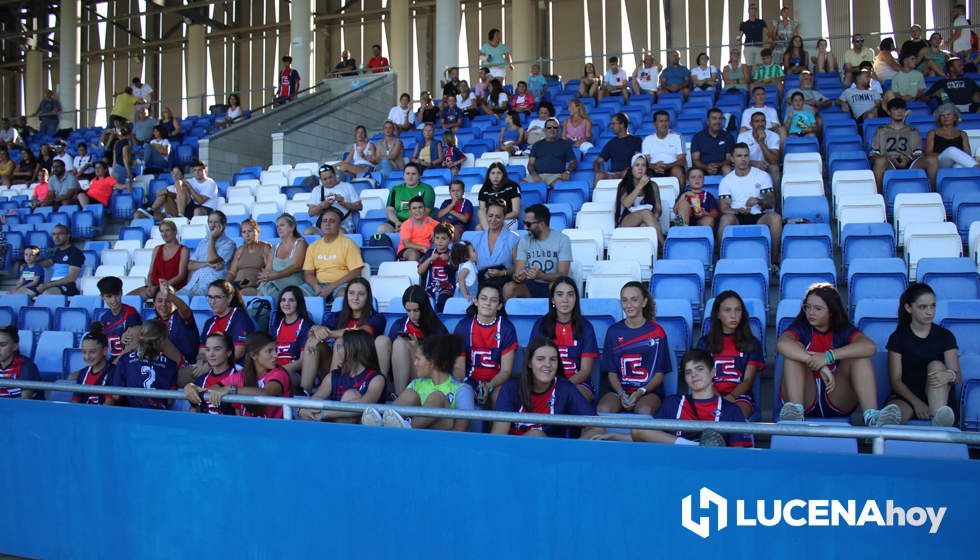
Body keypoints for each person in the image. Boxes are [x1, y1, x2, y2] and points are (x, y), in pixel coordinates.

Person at [778, 284, 902, 426]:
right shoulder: (801, 327)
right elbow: (782, 344)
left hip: (837, 395)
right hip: (804, 396)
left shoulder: (843, 329)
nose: (811, 312)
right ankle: (795, 413)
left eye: (818, 308)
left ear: (832, 311)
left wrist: (828, 356)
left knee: (858, 355)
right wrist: (816, 363)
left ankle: (872, 418)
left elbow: (869, 347)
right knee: (794, 350)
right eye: (808, 307)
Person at [624, 349, 753, 447]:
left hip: (711, 473)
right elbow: (646, 435)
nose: (694, 375)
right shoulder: (673, 403)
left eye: (699, 369)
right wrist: (613, 435)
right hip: (676, 469)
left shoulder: (731, 410)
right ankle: (697, 447)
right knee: (638, 428)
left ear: (713, 372)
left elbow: (739, 455)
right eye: (688, 372)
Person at [361, 334, 475, 430]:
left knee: (437, 397)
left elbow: (461, 430)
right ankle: (382, 424)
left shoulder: (462, 390)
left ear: (432, 362)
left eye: (418, 359)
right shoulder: (416, 384)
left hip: (442, 442)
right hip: (414, 441)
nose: (415, 364)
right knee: (410, 395)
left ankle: (407, 428)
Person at [491, 337, 600, 438]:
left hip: (549, 454)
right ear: (529, 363)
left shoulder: (564, 389)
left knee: (536, 435)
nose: (547, 364)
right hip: (512, 453)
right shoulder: (511, 388)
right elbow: (499, 434)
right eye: (540, 359)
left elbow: (597, 427)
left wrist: (572, 449)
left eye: (553, 359)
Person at [883, 283, 960, 426]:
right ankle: (882, 438)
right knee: (893, 415)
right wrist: (917, 403)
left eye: (933, 306)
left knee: (936, 365)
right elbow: (896, 380)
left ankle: (938, 419)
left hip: (939, 395)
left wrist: (950, 375)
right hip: (907, 396)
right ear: (908, 308)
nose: (929, 312)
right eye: (923, 307)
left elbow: (957, 375)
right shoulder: (898, 337)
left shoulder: (946, 336)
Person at [299, 277, 386, 392]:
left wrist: (329, 334)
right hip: (337, 368)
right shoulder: (336, 316)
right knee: (313, 341)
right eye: (351, 293)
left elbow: (360, 332)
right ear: (346, 296)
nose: (355, 297)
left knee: (341, 341)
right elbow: (314, 334)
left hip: (363, 370)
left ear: (368, 297)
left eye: (361, 294)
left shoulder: (377, 318)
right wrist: (316, 329)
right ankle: (305, 391)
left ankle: (332, 392)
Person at [597, 282, 669, 416]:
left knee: (644, 411)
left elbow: (659, 374)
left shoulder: (657, 332)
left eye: (634, 300)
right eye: (625, 300)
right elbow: (611, 373)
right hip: (618, 391)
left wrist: (640, 391)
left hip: (649, 392)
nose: (629, 305)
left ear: (644, 302)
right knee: (603, 409)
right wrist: (621, 393)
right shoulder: (613, 331)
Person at [694, 291, 764, 420]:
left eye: (738, 310)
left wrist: (731, 397)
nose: (733, 315)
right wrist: (718, 397)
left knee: (736, 414)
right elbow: (701, 376)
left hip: (740, 396)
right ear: (718, 314)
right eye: (727, 310)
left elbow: (748, 380)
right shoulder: (705, 343)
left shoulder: (752, 343)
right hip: (709, 393)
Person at [530, 277, 599, 401]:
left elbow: (585, 370)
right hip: (544, 382)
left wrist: (562, 387)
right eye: (560, 294)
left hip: (577, 384)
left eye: (570, 295)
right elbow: (533, 362)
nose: (565, 300)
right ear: (553, 299)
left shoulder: (586, 327)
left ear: (576, 299)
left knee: (571, 397)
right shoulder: (540, 325)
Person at [453, 282, 517, 408]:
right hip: (469, 380)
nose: (488, 303)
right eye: (483, 298)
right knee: (463, 396)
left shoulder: (506, 329)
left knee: (500, 397)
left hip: (497, 382)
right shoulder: (463, 326)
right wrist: (462, 386)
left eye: (493, 300)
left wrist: (489, 386)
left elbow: (505, 371)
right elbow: (459, 369)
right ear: (476, 301)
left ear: (499, 306)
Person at [300, 329, 386, 422]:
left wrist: (325, 413)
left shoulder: (376, 378)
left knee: (350, 395)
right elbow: (316, 398)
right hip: (334, 428)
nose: (338, 351)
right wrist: (305, 410)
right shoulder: (333, 376)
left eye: (341, 347)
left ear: (356, 350)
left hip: (364, 432)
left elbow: (365, 404)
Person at [376, 285, 449, 395]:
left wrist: (417, 348)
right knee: (382, 340)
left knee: (400, 344)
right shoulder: (399, 324)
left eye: (416, 310)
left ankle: (400, 398)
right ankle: (380, 390)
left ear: (424, 307)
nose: (412, 315)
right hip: (397, 374)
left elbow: (441, 366)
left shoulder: (437, 328)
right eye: (408, 310)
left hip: (426, 376)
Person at [717, 143, 782, 263]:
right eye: (739, 156)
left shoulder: (762, 175)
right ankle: (721, 261)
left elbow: (771, 202)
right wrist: (738, 210)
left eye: (746, 156)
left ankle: (774, 262)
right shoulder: (726, 181)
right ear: (732, 158)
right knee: (725, 219)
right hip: (737, 216)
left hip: (759, 215)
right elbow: (724, 207)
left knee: (776, 218)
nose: (743, 159)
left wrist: (758, 201)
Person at [207, 332, 293, 419]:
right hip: (248, 430)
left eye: (276, 350)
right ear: (253, 355)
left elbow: (266, 392)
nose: (275, 355)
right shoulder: (241, 375)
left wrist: (231, 389)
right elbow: (213, 388)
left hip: (277, 430)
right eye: (269, 351)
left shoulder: (280, 373)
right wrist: (193, 389)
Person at [105, 320, 180, 409]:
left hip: (132, 415)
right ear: (161, 340)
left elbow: (116, 395)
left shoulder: (125, 359)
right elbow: (170, 400)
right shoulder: (171, 364)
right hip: (158, 416)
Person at [871, 98, 938, 190]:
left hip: (910, 162)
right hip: (889, 163)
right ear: (889, 112)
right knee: (880, 161)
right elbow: (874, 154)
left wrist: (907, 159)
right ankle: (879, 195)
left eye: (902, 109)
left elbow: (918, 153)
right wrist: (889, 158)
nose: (899, 112)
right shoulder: (881, 130)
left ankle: (934, 193)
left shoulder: (913, 130)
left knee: (932, 160)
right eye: (895, 109)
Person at [507, 204, 571, 299]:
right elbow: (518, 272)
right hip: (530, 284)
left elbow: (563, 275)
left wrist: (541, 276)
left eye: (528, 224)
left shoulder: (562, 240)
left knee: (556, 287)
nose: (525, 227)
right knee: (509, 288)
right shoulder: (524, 240)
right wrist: (519, 276)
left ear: (542, 224)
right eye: (524, 223)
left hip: (552, 284)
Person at [303, 207, 365, 301]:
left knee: (344, 295)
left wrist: (332, 286)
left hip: (341, 284)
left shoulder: (349, 244)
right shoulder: (313, 246)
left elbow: (356, 272)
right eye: (324, 221)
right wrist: (316, 286)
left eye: (332, 221)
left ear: (339, 225)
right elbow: (308, 273)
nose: (327, 224)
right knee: (297, 294)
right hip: (318, 285)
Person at [179, 211, 238, 297]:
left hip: (211, 287)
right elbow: (190, 265)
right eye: (210, 222)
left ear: (224, 224)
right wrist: (208, 264)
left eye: (216, 222)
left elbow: (213, 260)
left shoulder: (229, 244)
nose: (212, 225)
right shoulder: (203, 242)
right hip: (192, 285)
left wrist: (212, 239)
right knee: (171, 299)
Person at [182, 332, 241, 415]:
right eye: (208, 349)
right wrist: (188, 387)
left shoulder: (238, 377)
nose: (211, 354)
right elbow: (193, 411)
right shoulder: (201, 380)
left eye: (217, 349)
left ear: (229, 352)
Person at [258, 213, 312, 299]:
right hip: (275, 281)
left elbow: (296, 266)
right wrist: (265, 275)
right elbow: (268, 268)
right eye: (277, 226)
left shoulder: (300, 243)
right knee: (264, 285)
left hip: (294, 282)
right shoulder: (275, 247)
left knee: (266, 287)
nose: (278, 228)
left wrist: (275, 275)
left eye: (282, 225)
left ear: (292, 226)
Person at [129, 220, 187, 299]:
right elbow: (151, 272)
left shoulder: (183, 250)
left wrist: (163, 286)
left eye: (167, 230)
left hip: (172, 286)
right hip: (154, 285)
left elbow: (181, 275)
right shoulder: (157, 249)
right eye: (162, 231)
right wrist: (149, 285)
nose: (164, 234)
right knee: (127, 298)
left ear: (175, 231)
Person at [270, 285, 313, 388]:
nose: (286, 304)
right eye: (283, 300)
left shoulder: (305, 326)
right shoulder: (276, 325)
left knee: (277, 376)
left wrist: (279, 370)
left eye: (291, 300)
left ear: (298, 303)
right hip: (273, 369)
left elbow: (303, 361)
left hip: (295, 373)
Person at [614, 154, 664, 242]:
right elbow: (626, 203)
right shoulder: (624, 185)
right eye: (637, 165)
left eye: (643, 165)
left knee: (645, 226)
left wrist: (652, 218)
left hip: (647, 219)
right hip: (626, 221)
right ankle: (664, 246)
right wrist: (640, 185)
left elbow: (658, 210)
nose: (640, 168)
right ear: (632, 168)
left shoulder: (653, 185)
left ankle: (651, 253)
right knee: (645, 213)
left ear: (646, 169)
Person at [376, 162, 435, 235]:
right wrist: (397, 222)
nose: (410, 177)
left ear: (419, 176)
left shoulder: (427, 189)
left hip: (420, 221)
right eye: (407, 174)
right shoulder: (396, 189)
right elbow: (389, 210)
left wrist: (406, 225)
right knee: (382, 229)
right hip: (399, 221)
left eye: (413, 174)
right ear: (403, 175)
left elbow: (426, 212)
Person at [148, 160, 218, 219]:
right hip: (191, 207)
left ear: (205, 171)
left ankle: (180, 215)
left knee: (197, 210)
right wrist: (165, 192)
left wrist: (190, 188)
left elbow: (200, 201)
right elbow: (179, 192)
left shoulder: (211, 183)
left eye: (199, 170)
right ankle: (151, 210)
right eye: (195, 170)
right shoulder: (191, 180)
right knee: (169, 192)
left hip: (206, 209)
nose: (197, 172)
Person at [473, 201, 520, 290]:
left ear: (504, 218)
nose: (493, 220)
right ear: (486, 216)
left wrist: (502, 273)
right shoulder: (476, 239)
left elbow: (518, 268)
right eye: (490, 216)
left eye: (498, 217)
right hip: (481, 283)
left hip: (504, 284)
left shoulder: (514, 239)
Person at [152, 281, 199, 367]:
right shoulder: (154, 323)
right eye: (159, 301)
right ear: (154, 303)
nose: (163, 304)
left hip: (186, 367)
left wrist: (169, 295)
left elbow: (185, 310)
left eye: (168, 301)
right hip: (163, 367)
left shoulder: (180, 316)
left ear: (173, 302)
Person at [306, 163, 362, 235]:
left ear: (335, 175)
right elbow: (311, 213)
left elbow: (359, 207)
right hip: (322, 226)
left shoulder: (347, 186)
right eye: (325, 179)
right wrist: (322, 205)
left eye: (330, 177)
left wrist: (344, 203)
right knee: (308, 232)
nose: (328, 181)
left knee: (340, 232)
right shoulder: (317, 190)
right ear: (321, 180)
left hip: (343, 225)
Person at [96, 276, 142, 359]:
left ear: (121, 292)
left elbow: (134, 345)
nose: (114, 300)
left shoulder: (131, 314)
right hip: (111, 361)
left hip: (129, 361)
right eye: (109, 296)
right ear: (102, 297)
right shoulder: (104, 318)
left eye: (116, 295)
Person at [67, 325, 112, 405]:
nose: (87, 357)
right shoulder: (82, 374)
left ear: (105, 350)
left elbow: (109, 405)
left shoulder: (113, 373)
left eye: (92, 352)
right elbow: (75, 402)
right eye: (84, 352)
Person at [737, 111, 782, 188]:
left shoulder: (774, 136)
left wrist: (761, 142)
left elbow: (774, 161)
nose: (760, 124)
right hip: (749, 165)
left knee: (775, 168)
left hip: (767, 167)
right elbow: (738, 159)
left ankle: (777, 198)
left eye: (763, 121)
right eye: (757, 121)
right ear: (751, 124)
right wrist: (754, 163)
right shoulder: (743, 137)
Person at [226, 218, 271, 295]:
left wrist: (254, 283)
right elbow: (232, 272)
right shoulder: (240, 249)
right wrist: (225, 285)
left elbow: (269, 271)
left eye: (249, 231)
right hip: (237, 284)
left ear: (257, 232)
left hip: (254, 285)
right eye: (244, 232)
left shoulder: (265, 247)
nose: (247, 235)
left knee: (243, 293)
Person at [926, 103, 979, 168]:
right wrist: (949, 156)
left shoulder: (962, 134)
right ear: (939, 119)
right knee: (951, 150)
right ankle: (977, 167)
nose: (945, 117)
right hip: (940, 161)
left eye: (948, 114)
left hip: (956, 162)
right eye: (942, 115)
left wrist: (956, 158)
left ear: (955, 117)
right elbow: (928, 153)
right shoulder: (933, 133)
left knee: (958, 166)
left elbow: (968, 154)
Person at [641, 109, 686, 186]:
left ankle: (680, 197)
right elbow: (645, 162)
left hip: (672, 167)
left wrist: (667, 166)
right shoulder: (647, 140)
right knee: (643, 172)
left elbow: (682, 160)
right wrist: (655, 166)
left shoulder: (677, 137)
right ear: (654, 124)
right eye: (661, 121)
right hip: (653, 169)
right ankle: (649, 197)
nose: (664, 124)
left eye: (666, 121)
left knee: (677, 170)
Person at [594, 112, 643, 181]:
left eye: (614, 124)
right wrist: (598, 170)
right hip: (614, 174)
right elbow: (597, 161)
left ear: (622, 125)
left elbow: (638, 159)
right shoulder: (611, 143)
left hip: (629, 172)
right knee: (599, 175)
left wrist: (630, 168)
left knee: (626, 173)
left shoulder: (636, 140)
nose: (611, 126)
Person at [35, 224, 82, 296]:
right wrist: (31, 265)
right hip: (53, 284)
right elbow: (49, 262)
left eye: (60, 234)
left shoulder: (75, 253)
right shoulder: (58, 252)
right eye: (54, 234)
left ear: (68, 235)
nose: (56, 237)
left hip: (67, 285)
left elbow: (71, 278)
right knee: (21, 294)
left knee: (47, 294)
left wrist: (48, 285)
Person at [418, 224, 456, 311]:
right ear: (433, 239)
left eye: (443, 238)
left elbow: (458, 269)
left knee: (442, 300)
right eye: (437, 238)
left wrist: (449, 260)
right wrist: (430, 259)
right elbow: (420, 271)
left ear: (450, 240)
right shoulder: (430, 253)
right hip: (431, 287)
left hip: (447, 287)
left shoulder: (453, 254)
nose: (440, 241)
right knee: (424, 301)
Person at [477, 161, 521, 230]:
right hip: (492, 220)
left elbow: (516, 212)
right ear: (489, 176)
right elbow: (482, 212)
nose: (495, 176)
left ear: (503, 175)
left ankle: (490, 235)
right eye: (493, 173)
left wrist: (499, 217)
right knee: (478, 227)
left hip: (508, 219)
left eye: (499, 173)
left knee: (500, 228)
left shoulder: (513, 186)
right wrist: (493, 219)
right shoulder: (484, 189)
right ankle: (490, 235)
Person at [691, 108, 735, 176]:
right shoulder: (698, 137)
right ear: (708, 121)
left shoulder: (728, 137)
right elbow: (695, 160)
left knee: (727, 169)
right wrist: (706, 167)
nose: (718, 121)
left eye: (720, 118)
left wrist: (717, 165)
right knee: (694, 173)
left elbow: (729, 159)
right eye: (714, 118)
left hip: (721, 168)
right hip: (703, 169)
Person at [0, 327, 39, 400]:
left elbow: (25, 399)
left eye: (2, 345)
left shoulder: (26, 366)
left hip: (25, 409)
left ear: (15, 346)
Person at [397, 196, 439, 262]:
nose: (418, 211)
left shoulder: (429, 220)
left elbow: (445, 227)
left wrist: (436, 230)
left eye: (420, 207)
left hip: (424, 252)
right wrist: (422, 247)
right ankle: (411, 272)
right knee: (414, 254)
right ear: (410, 211)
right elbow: (407, 244)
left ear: (424, 209)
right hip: (407, 250)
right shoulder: (406, 224)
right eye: (414, 208)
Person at [739, 3, 768, 71]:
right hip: (748, 46)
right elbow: (740, 35)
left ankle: (760, 80)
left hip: (759, 46)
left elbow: (767, 32)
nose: (753, 10)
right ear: (748, 10)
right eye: (752, 9)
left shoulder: (761, 22)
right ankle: (749, 80)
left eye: (755, 9)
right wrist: (738, 39)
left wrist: (767, 39)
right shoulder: (744, 24)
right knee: (749, 66)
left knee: (760, 65)